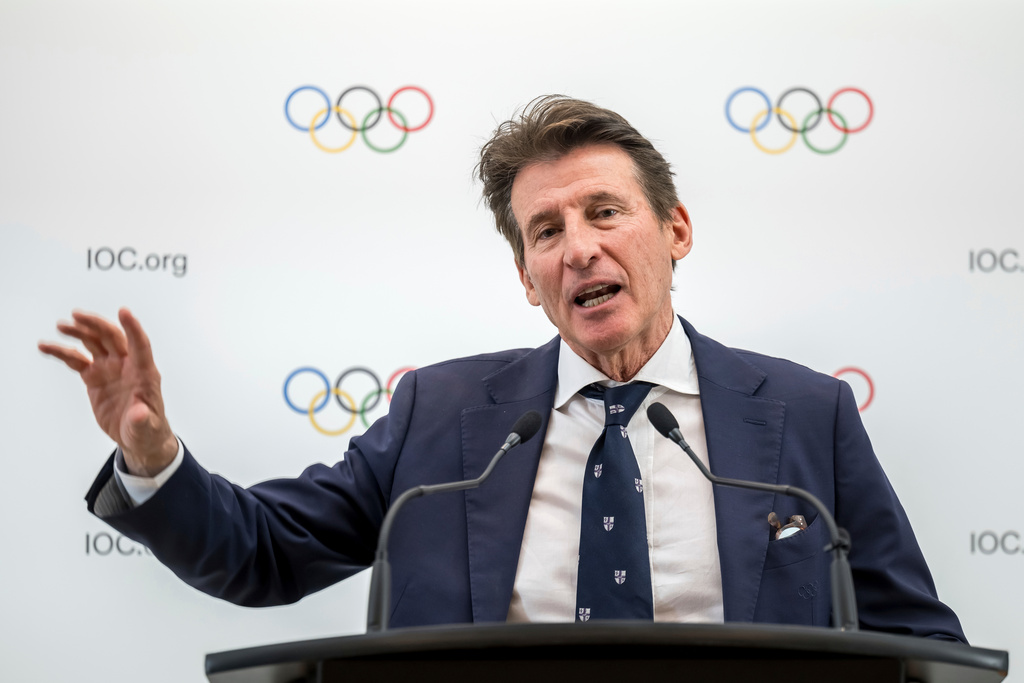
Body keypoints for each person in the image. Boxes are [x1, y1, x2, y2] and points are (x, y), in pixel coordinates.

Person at [39, 95, 965, 639]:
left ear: (674, 230)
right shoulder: (442, 415)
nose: (579, 249)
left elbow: (917, 638)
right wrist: (154, 462)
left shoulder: (806, 412)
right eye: (548, 232)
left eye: (606, 213)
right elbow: (263, 553)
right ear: (527, 275)